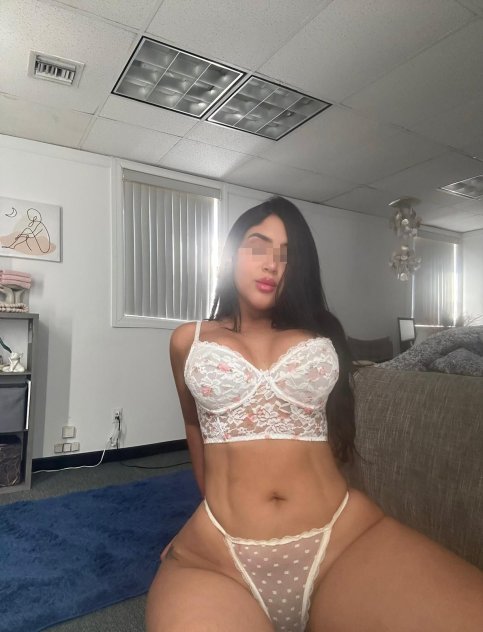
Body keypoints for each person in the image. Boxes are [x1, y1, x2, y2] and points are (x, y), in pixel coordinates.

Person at [146, 197, 483, 632]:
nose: (271, 264)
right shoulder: (188, 340)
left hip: (341, 539)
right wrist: (208, 515)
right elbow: (195, 426)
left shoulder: (320, 335)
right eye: (257, 246)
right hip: (220, 559)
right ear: (231, 253)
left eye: (286, 255)